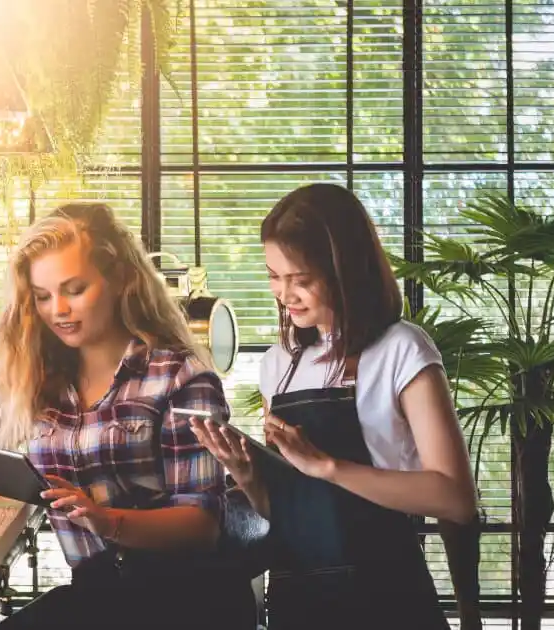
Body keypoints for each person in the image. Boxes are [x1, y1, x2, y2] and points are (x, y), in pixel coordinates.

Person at [0, 203, 257, 629]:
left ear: (118, 279)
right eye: (42, 297)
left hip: (189, 601)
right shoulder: (34, 377)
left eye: (74, 289)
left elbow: (202, 524)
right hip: (100, 594)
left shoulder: (180, 376)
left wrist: (105, 519)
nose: (58, 309)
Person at [191, 183, 480, 630]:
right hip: (297, 605)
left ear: (343, 269)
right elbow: (288, 514)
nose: (284, 294)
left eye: (300, 279)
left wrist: (329, 467)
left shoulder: (402, 349)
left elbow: (456, 500)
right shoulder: (277, 365)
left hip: (387, 599)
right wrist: (248, 474)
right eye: (273, 276)